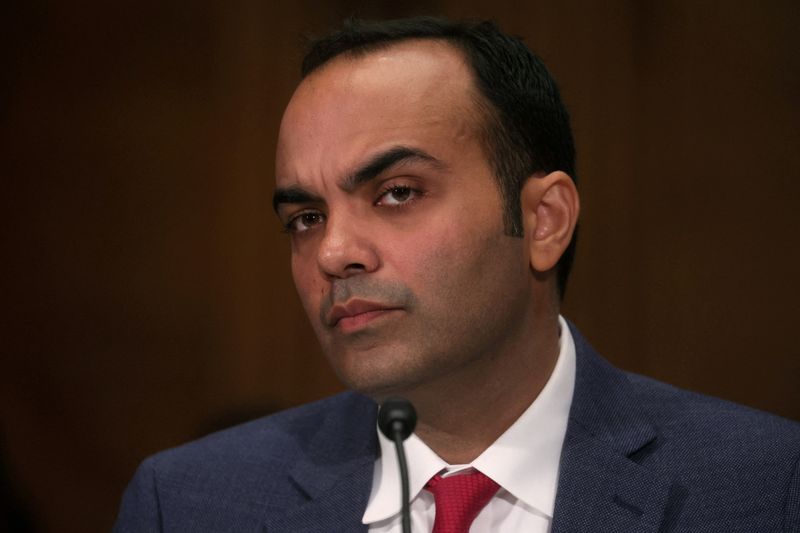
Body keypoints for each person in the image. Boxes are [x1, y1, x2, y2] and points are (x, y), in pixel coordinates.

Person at [114, 16, 800, 532]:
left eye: (397, 193)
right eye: (305, 218)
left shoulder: (766, 488)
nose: (333, 253)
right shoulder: (187, 504)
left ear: (543, 221)